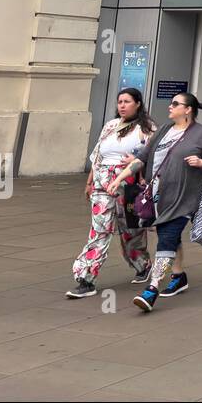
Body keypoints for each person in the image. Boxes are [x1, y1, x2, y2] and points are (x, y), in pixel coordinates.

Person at [109, 91, 202, 313]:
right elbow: (142, 158)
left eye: (175, 104)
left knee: (167, 239)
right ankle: (178, 276)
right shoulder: (163, 130)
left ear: (188, 109)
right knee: (168, 235)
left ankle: (151, 290)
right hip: (159, 198)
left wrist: (201, 162)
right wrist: (119, 179)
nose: (170, 107)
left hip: (185, 198)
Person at [67, 89, 154, 298]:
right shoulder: (110, 126)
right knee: (100, 230)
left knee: (130, 229)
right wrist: (89, 182)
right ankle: (86, 277)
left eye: (127, 102)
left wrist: (135, 162)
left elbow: (153, 156)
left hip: (129, 183)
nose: (122, 106)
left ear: (138, 104)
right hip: (102, 184)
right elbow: (97, 156)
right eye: (119, 102)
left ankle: (142, 264)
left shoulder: (146, 128)